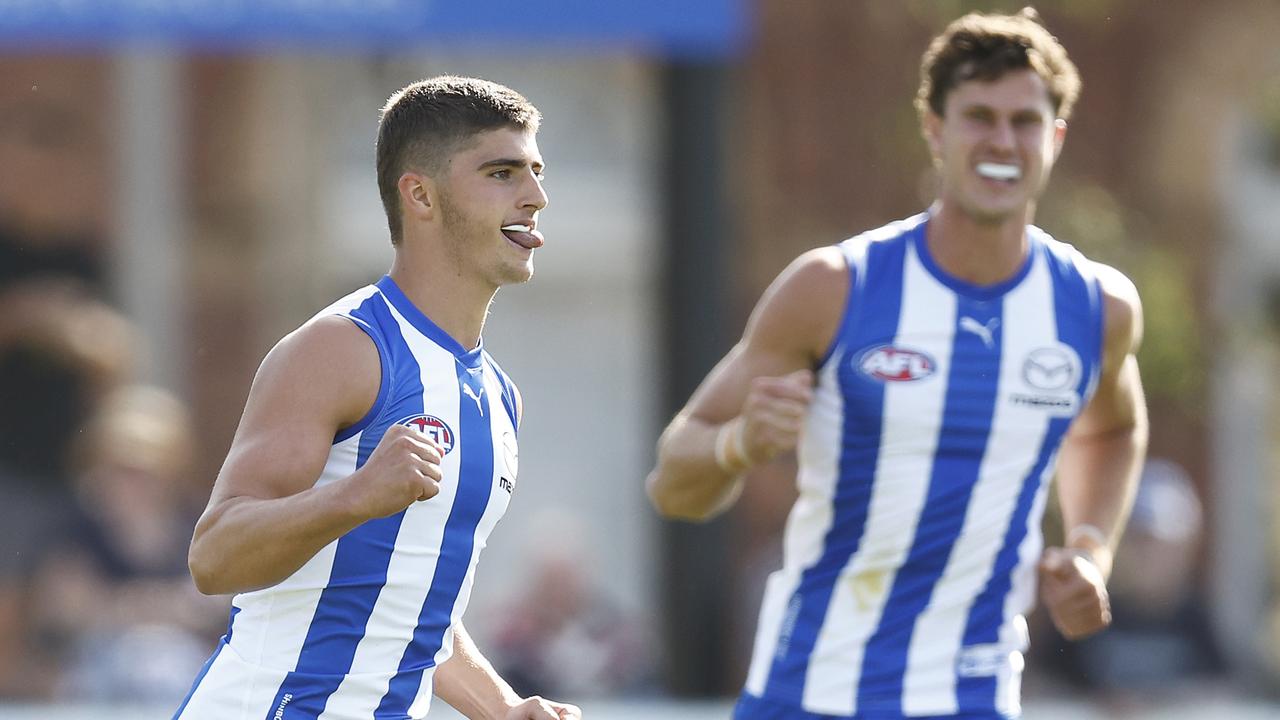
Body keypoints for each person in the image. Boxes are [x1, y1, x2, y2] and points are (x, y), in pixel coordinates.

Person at [647, 8, 1147, 720]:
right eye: (978, 116)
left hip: (974, 697)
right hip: (808, 694)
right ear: (935, 130)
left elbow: (1113, 429)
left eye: (1025, 121)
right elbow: (673, 483)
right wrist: (740, 444)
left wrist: (1092, 549)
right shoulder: (833, 288)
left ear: (1055, 138)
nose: (1002, 141)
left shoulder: (1097, 308)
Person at [174, 76, 581, 720]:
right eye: (502, 174)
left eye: (535, 172)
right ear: (419, 194)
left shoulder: (499, 397)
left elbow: (407, 602)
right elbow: (215, 555)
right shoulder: (342, 349)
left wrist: (503, 709)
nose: (536, 197)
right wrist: (356, 495)